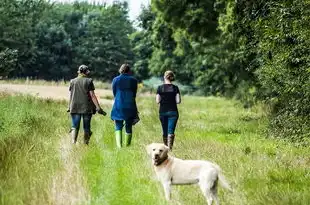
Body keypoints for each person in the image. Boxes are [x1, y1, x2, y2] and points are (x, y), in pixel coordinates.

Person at [68, 64, 106, 145]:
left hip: (74, 106)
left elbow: (71, 95)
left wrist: (69, 106)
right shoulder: (89, 81)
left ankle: (73, 143)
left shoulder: (72, 81)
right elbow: (92, 95)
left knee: (75, 126)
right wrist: (98, 107)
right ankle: (85, 144)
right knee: (86, 127)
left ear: (79, 72)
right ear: (86, 72)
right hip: (87, 107)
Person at [111, 64, 138, 148]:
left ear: (121, 70)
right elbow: (134, 93)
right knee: (128, 125)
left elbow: (114, 93)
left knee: (118, 125)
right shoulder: (134, 80)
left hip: (119, 104)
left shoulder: (115, 79)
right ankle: (127, 146)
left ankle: (119, 147)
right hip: (130, 104)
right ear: (129, 70)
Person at [156, 70, 181, 150]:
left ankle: (165, 149)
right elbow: (178, 101)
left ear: (164, 77)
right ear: (171, 77)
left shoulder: (160, 88)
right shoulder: (175, 88)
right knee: (171, 132)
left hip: (163, 112)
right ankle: (169, 149)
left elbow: (157, 101)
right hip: (173, 112)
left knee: (165, 132)